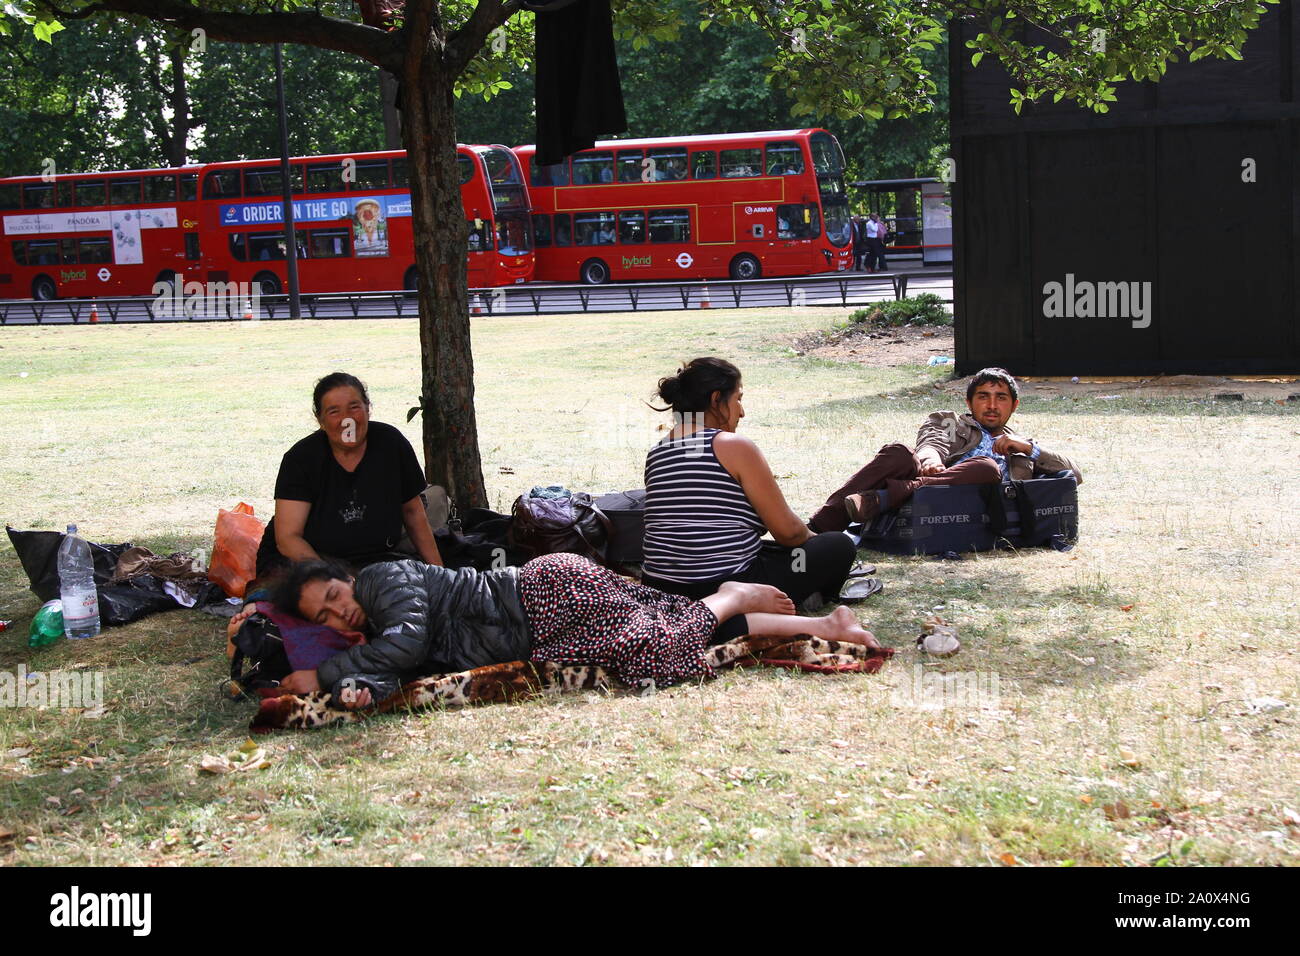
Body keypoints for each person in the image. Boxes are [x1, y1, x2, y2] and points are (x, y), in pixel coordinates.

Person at [263, 552, 880, 706]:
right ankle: (827, 621)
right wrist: (351, 678)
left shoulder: (381, 580)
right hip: (543, 623)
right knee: (664, 631)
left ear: (346, 579)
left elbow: (411, 645)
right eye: (323, 616)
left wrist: (321, 672)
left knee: (651, 652)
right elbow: (391, 664)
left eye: (333, 596)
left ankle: (730, 596)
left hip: (542, 595)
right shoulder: (372, 632)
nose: (338, 611)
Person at [642, 358, 857, 634]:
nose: (741, 412)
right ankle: (801, 595)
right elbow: (789, 534)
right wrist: (812, 544)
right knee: (837, 545)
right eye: (738, 399)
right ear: (717, 399)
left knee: (775, 551)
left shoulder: (657, 453)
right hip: (727, 582)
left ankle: (726, 619)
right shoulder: (733, 446)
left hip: (664, 589)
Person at [808, 368, 1084, 532]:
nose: (991, 405)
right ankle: (817, 527)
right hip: (937, 482)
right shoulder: (954, 423)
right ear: (969, 402)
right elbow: (932, 440)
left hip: (971, 503)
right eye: (983, 397)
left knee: (987, 467)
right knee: (899, 452)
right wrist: (930, 460)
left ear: (1014, 406)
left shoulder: (1021, 447)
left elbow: (1074, 474)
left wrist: (1029, 449)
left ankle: (881, 498)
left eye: (1001, 398)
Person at [255, 372, 442, 578]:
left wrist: (441, 574)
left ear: (368, 408)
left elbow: (413, 513)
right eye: (334, 412)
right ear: (321, 420)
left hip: (375, 558)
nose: (347, 420)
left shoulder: (391, 443)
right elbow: (288, 539)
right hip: (308, 562)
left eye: (354, 407)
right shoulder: (301, 459)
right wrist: (335, 579)